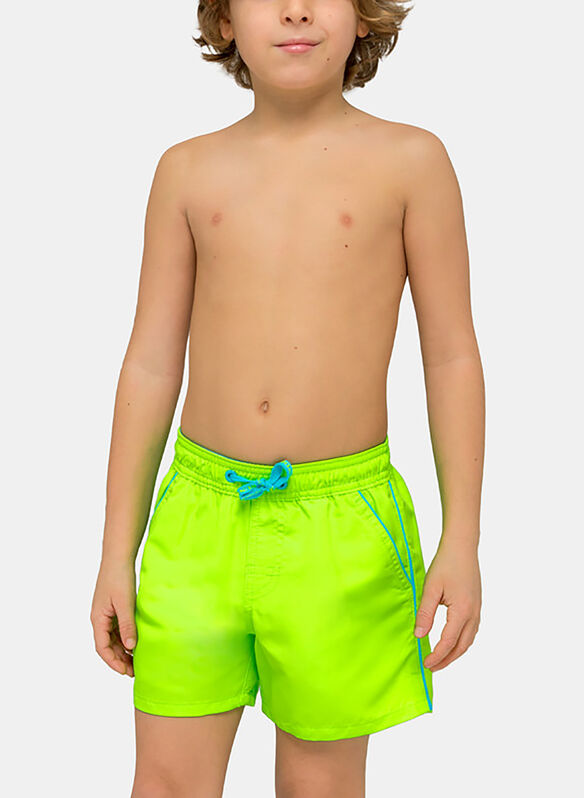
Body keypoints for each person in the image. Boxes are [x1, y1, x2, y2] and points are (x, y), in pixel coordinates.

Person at [91, 1, 484, 795]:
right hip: (197, 524)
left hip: (343, 530)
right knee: (165, 782)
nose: (297, 8)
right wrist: (114, 552)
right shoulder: (186, 170)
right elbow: (151, 364)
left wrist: (463, 537)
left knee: (320, 785)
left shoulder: (412, 162)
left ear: (364, 16)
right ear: (224, 21)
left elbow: (450, 357)